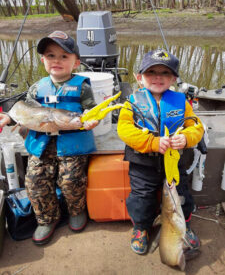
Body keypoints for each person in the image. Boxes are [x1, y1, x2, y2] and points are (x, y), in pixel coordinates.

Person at [0, 31, 99, 245]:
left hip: (72, 146)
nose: (57, 61)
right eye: (51, 55)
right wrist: (8, 117)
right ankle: (47, 219)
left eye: (64, 56)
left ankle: (76, 210)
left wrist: (91, 120)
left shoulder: (83, 87)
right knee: (34, 181)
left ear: (76, 62)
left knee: (71, 180)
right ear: (43, 60)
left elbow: (92, 112)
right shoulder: (36, 88)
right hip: (41, 145)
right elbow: (23, 110)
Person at [117, 49, 204, 255]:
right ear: (140, 78)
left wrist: (187, 138)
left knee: (181, 195)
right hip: (142, 164)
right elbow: (124, 129)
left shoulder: (181, 102)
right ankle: (141, 228)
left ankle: (185, 225)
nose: (158, 77)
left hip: (174, 163)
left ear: (173, 79)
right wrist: (152, 142)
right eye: (151, 72)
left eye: (165, 73)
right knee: (142, 197)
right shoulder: (131, 103)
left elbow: (196, 126)